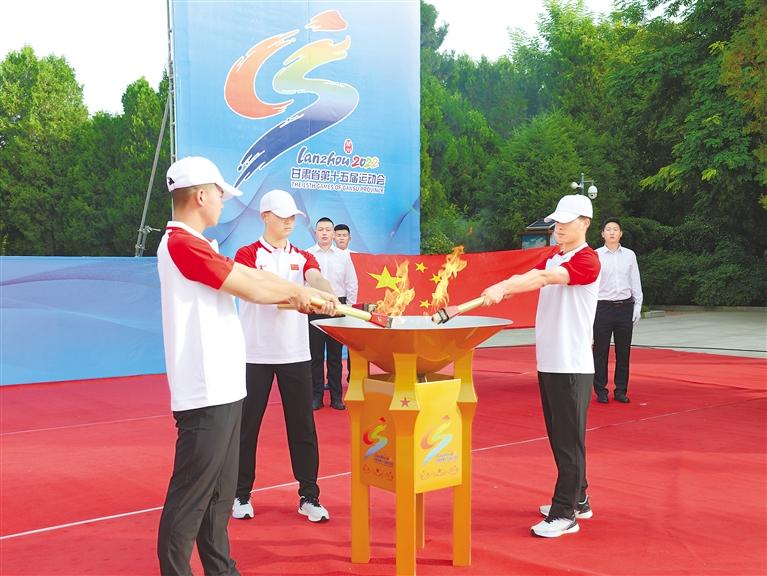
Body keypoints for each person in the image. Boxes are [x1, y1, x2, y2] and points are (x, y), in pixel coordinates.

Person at [156, 157, 334, 575]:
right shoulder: (181, 244)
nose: (223, 202)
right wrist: (298, 295)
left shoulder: (202, 244)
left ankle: (222, 570)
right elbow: (249, 285)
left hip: (226, 386)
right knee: (189, 501)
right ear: (201, 196)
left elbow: (253, 280)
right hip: (205, 392)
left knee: (218, 500)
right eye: (220, 194)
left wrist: (303, 292)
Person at [481, 194, 601, 539]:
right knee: (561, 436)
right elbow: (533, 276)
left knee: (569, 441)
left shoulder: (587, 260)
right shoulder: (556, 255)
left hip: (571, 363)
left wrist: (505, 285)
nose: (559, 227)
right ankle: (579, 499)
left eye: (566, 221)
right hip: (550, 360)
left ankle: (565, 514)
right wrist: (507, 289)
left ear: (585, 223)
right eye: (557, 221)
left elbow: (544, 278)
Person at [232, 189, 337, 524]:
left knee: (303, 426)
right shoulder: (247, 254)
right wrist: (295, 296)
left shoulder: (302, 257)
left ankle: (309, 496)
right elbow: (254, 289)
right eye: (282, 216)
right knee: (247, 427)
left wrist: (327, 295)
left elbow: (315, 278)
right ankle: (240, 493)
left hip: (294, 353)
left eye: (293, 217)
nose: (289, 222)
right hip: (255, 353)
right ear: (265, 217)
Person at [308, 217, 358, 410]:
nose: (324, 233)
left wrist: (349, 310)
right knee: (315, 355)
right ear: (316, 233)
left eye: (328, 230)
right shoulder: (307, 254)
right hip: (315, 306)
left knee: (335, 355)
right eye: (321, 230)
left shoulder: (344, 256)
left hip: (338, 307)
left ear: (333, 234)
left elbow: (351, 284)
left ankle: (336, 397)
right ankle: (316, 396)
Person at [592, 218, 643, 403]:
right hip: (602, 307)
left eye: (615, 229)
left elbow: (635, 280)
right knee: (600, 351)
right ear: (602, 234)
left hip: (624, 307)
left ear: (621, 233)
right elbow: (590, 284)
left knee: (623, 352)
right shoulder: (595, 255)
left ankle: (621, 390)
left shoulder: (629, 255)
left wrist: (637, 305)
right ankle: (601, 390)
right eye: (608, 229)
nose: (612, 232)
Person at [333, 223, 356, 381]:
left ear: (349, 238)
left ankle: (353, 377)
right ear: (334, 237)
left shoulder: (356, 257)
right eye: (338, 235)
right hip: (334, 301)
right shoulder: (329, 256)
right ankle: (333, 381)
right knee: (334, 345)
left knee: (353, 344)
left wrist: (351, 305)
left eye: (344, 235)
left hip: (352, 303)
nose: (341, 238)